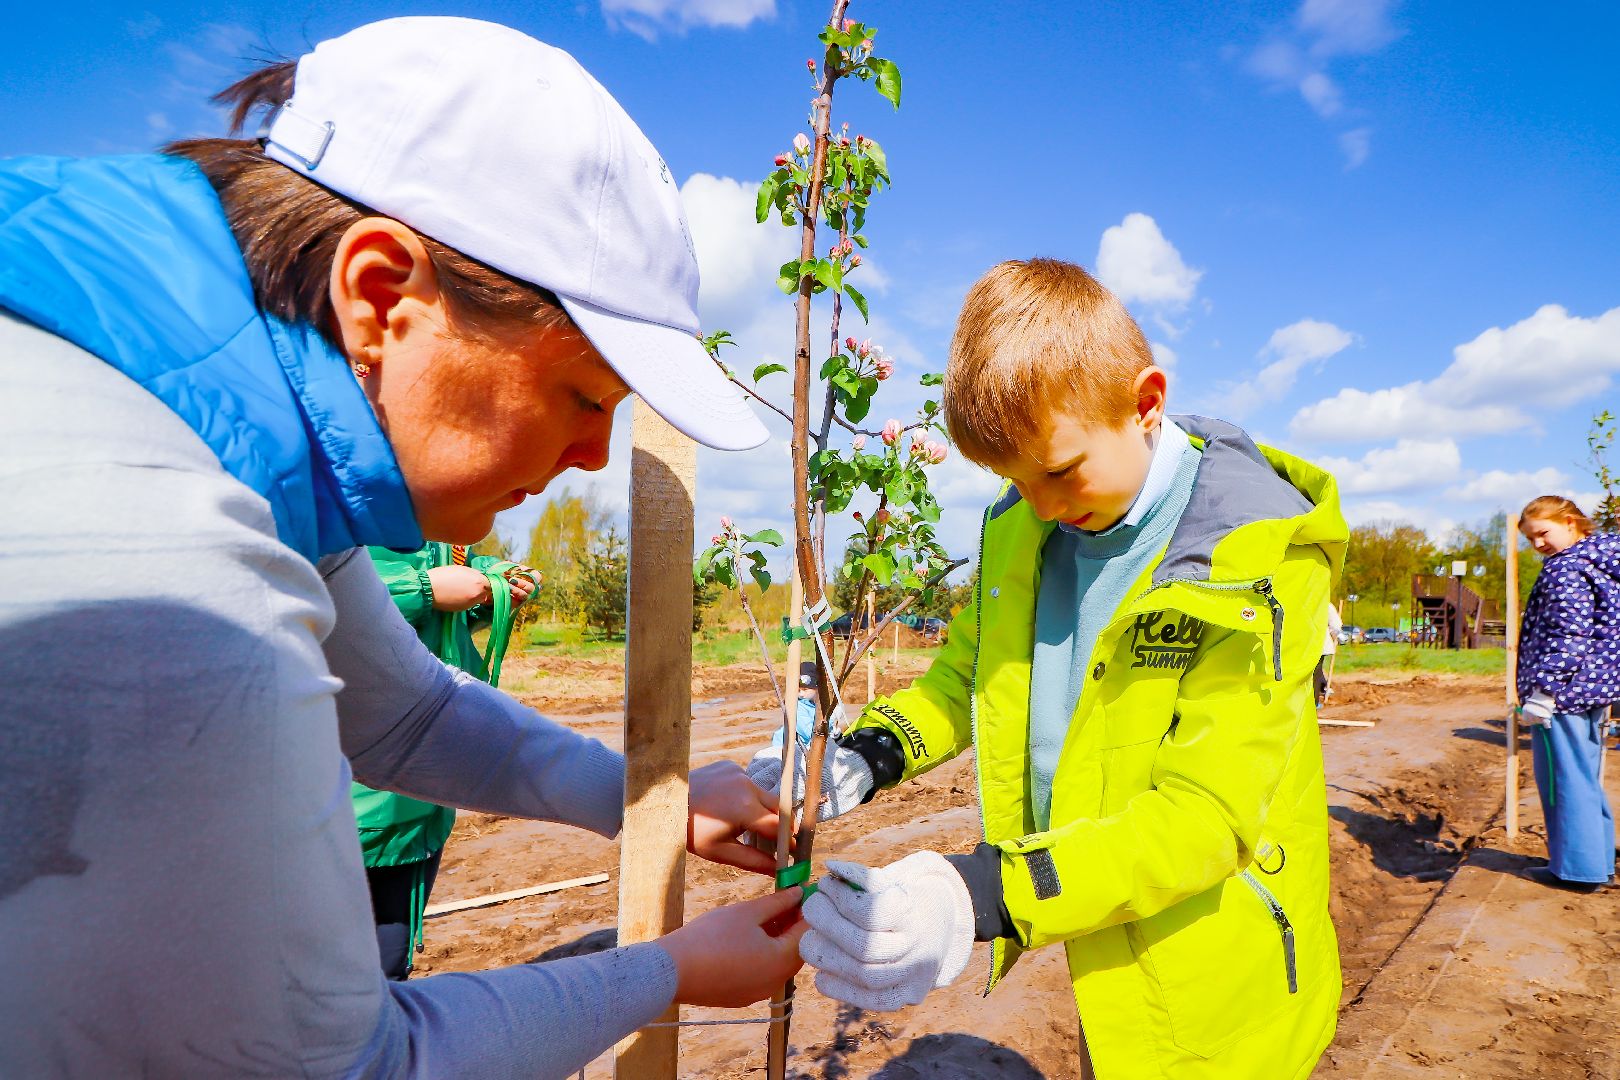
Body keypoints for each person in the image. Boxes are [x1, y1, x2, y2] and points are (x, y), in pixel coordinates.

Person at [0, 18, 809, 1079]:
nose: (588, 453)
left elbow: (405, 711)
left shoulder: (219, 423)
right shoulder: (163, 569)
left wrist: (645, 794)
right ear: (382, 296)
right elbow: (348, 1065)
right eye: (578, 394)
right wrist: (666, 969)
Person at [753, 259, 1346, 1078]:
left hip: (1215, 962)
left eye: (1059, 471)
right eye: (1013, 479)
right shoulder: (1027, 534)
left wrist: (984, 892)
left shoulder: (1257, 565)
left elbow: (1205, 821)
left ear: (1145, 403)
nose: (1040, 505)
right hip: (1097, 919)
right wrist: (868, 753)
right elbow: (964, 682)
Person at [357, 543, 537, 979]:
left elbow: (446, 592)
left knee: (387, 964)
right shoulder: (334, 510)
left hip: (421, 800)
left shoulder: (437, 534)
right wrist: (425, 590)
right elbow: (308, 592)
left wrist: (490, 585)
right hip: (356, 803)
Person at [1516, 495, 1620, 891]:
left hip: (1565, 694)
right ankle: (1594, 863)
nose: (1538, 544)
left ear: (1571, 521)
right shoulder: (1599, 560)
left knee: (1565, 781)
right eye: (1531, 539)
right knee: (1582, 777)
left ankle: (1578, 872)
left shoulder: (1567, 568)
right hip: (1588, 689)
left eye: (1543, 533)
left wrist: (1544, 692)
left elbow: (1569, 635)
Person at [1316, 600, 1344, 707]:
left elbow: (1335, 626)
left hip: (1311, 644)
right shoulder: (1326, 605)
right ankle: (1316, 698)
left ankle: (1322, 690)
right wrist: (1336, 634)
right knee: (1316, 672)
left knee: (1314, 671)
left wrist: (1337, 634)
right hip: (1319, 644)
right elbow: (1336, 625)